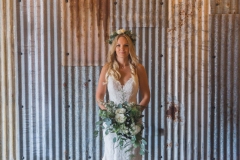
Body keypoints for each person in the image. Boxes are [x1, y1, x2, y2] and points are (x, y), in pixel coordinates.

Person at [96, 29, 150, 160]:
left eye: (126, 45)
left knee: (131, 155)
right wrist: (108, 113)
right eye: (118, 45)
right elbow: (99, 96)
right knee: (112, 154)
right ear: (114, 47)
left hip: (133, 122)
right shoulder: (107, 68)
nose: (122, 49)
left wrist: (135, 113)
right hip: (112, 122)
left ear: (130, 47)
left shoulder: (139, 68)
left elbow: (146, 96)